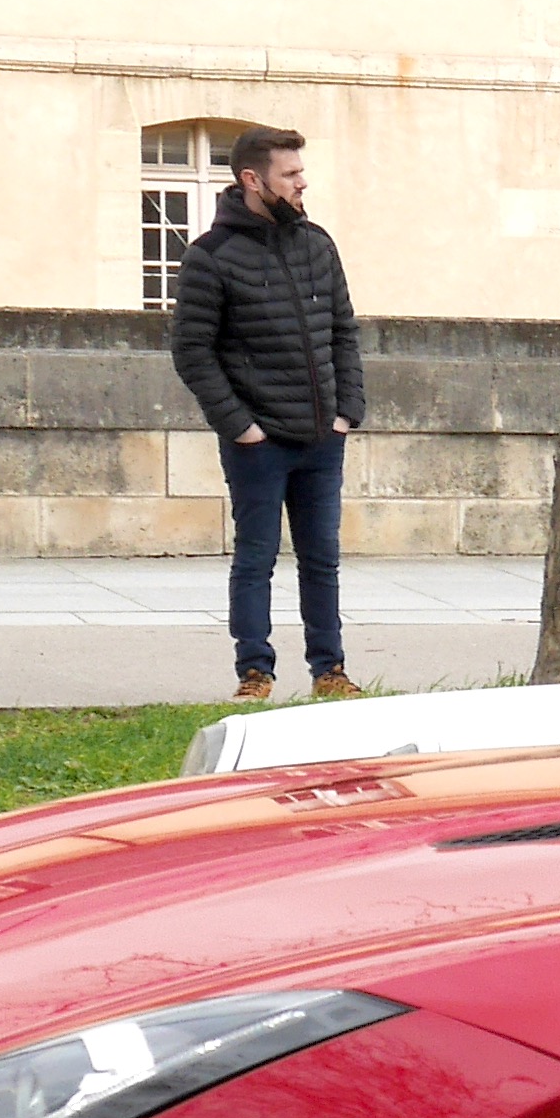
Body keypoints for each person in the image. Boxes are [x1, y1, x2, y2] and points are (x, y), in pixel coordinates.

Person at [169, 123, 367, 702]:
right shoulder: (210, 257)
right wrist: (241, 427)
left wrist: (346, 412)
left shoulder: (318, 244)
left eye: (302, 172)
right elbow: (192, 352)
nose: (302, 183)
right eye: (291, 174)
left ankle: (330, 670)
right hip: (258, 444)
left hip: (322, 437)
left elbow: (343, 332)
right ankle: (254, 671)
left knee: (322, 560)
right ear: (253, 180)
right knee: (255, 560)